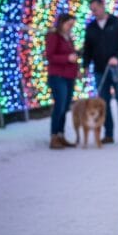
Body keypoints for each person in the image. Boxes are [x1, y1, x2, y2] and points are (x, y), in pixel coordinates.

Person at [83, 0, 118, 144]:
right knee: (103, 103)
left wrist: (117, 56)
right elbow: (88, 49)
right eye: (92, 10)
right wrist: (85, 65)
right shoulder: (91, 27)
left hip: (117, 70)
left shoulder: (117, 22)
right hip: (99, 70)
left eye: (95, 9)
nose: (94, 12)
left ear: (102, 6)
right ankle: (108, 134)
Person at [46, 13, 78, 149]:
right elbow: (50, 56)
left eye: (72, 25)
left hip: (69, 76)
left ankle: (61, 135)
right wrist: (67, 58)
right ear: (62, 23)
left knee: (65, 107)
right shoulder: (54, 36)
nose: (70, 27)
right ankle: (54, 137)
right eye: (69, 24)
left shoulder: (69, 38)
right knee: (59, 106)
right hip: (57, 76)